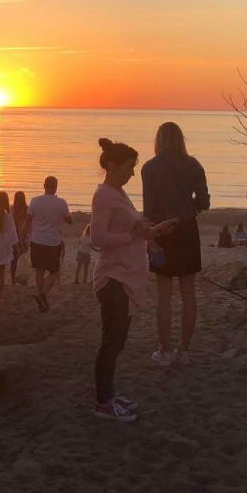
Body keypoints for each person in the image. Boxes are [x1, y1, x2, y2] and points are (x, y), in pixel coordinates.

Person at [92, 138, 178, 421]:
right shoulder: (104, 194)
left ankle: (110, 395)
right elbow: (97, 238)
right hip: (114, 277)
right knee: (111, 342)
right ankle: (104, 403)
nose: (132, 173)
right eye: (129, 167)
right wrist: (134, 236)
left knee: (117, 343)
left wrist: (154, 233)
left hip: (127, 278)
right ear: (113, 165)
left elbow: (136, 228)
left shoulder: (119, 194)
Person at [141, 121, 210, 368]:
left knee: (164, 296)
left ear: (158, 140)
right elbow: (204, 201)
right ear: (181, 139)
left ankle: (165, 350)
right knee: (188, 293)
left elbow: (148, 208)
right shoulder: (193, 165)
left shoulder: (149, 168)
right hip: (186, 229)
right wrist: (188, 208)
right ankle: (185, 350)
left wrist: (150, 237)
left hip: (161, 230)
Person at [27, 176, 71, 313]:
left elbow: (28, 221)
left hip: (37, 240)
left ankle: (42, 299)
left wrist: (23, 238)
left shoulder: (35, 201)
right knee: (54, 272)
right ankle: (42, 295)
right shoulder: (61, 202)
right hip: (52, 242)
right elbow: (69, 220)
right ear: (56, 186)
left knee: (39, 270)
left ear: (44, 186)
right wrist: (65, 217)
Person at [10, 191, 31, 285]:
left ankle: (13, 280)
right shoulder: (27, 209)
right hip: (24, 236)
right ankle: (23, 278)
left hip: (13, 237)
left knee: (14, 259)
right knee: (23, 259)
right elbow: (30, 224)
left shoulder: (12, 209)